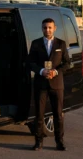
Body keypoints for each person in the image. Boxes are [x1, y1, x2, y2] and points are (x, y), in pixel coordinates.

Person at [27, 17, 69, 151]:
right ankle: (38, 142)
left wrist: (56, 72)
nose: (48, 30)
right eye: (45, 27)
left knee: (58, 114)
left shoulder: (61, 44)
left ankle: (59, 142)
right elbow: (30, 63)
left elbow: (67, 63)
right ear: (42, 29)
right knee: (39, 115)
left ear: (55, 28)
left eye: (50, 27)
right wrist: (41, 71)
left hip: (56, 85)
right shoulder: (36, 44)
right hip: (41, 84)